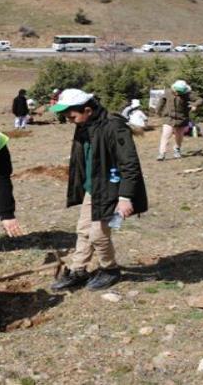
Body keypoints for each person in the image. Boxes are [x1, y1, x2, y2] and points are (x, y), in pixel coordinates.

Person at [47, 89, 148, 291]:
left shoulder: (114, 126)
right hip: (93, 188)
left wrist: (125, 197)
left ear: (87, 110)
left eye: (72, 116)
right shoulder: (85, 124)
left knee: (99, 235)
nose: (69, 120)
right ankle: (78, 270)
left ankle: (110, 269)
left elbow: (130, 165)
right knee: (83, 230)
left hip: (112, 189)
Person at [156, 80, 201, 161]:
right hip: (168, 118)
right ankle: (162, 153)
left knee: (179, 136)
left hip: (182, 119)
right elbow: (160, 103)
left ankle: (177, 150)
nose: (178, 93)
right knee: (166, 135)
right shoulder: (167, 93)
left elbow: (199, 99)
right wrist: (158, 112)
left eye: (180, 92)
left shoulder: (187, 94)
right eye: (177, 91)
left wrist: (194, 105)